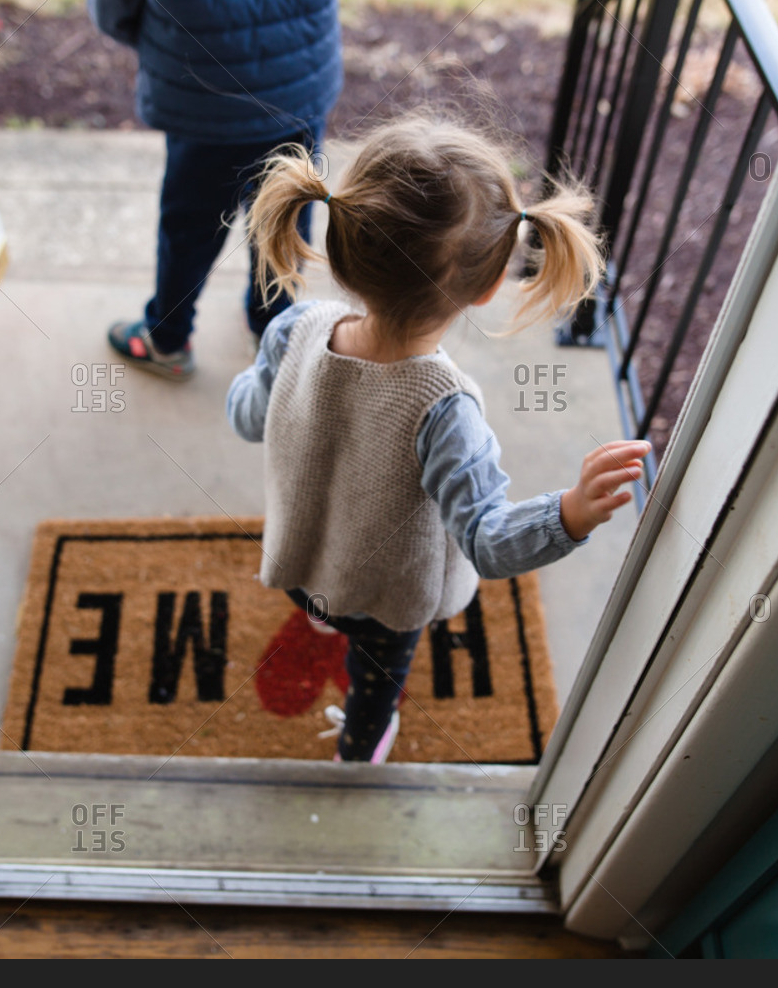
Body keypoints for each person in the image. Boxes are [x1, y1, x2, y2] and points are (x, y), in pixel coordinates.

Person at [226, 116, 652, 762]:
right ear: (485, 290)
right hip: (385, 598)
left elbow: (249, 417)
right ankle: (359, 749)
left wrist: (256, 383)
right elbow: (485, 541)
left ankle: (319, 614)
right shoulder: (444, 409)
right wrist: (568, 514)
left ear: (342, 243)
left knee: (324, 596)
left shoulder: (293, 329)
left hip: (303, 558)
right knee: (377, 679)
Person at [88, 0, 342, 381]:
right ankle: (272, 332)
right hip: (297, 83)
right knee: (285, 219)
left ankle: (167, 339)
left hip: (205, 92)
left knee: (188, 230)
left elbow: (112, 8)